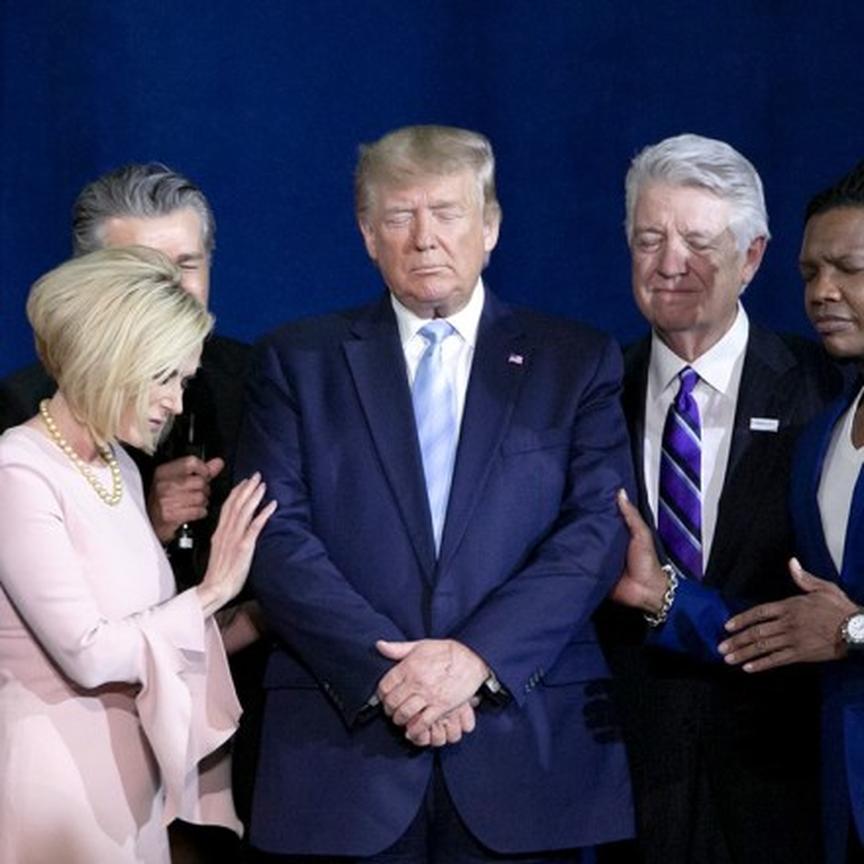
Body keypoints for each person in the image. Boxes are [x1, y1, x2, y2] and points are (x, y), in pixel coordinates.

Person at [234, 124, 635, 863]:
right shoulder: (297, 362)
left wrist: (477, 658)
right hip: (345, 754)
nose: (425, 238)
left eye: (447, 213)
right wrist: (391, 675)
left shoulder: (575, 361)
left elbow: (597, 532)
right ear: (367, 234)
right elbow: (275, 534)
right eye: (399, 216)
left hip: (525, 754)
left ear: (491, 226)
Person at [599, 134, 844, 864]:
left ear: (752, 257)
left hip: (789, 780)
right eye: (649, 239)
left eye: (699, 242)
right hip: (625, 780)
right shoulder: (589, 394)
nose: (670, 263)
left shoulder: (826, 390)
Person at [0, 246, 275, 863]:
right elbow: (91, 653)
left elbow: (154, 635)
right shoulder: (18, 470)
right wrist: (213, 589)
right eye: (164, 376)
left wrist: (272, 609)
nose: (176, 402)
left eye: (183, 380)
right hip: (57, 796)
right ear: (108, 359)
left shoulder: (119, 466)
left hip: (129, 795)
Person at [0, 163, 251, 591]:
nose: (173, 288)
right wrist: (144, 525)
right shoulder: (23, 406)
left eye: (187, 264)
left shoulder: (254, 378)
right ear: (93, 277)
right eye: (145, 269)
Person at [717, 161, 864, 863]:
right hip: (840, 798)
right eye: (810, 273)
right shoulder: (825, 428)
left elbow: (838, 626)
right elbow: (798, 619)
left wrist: (854, 632)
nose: (822, 292)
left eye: (849, 269)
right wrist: (664, 596)